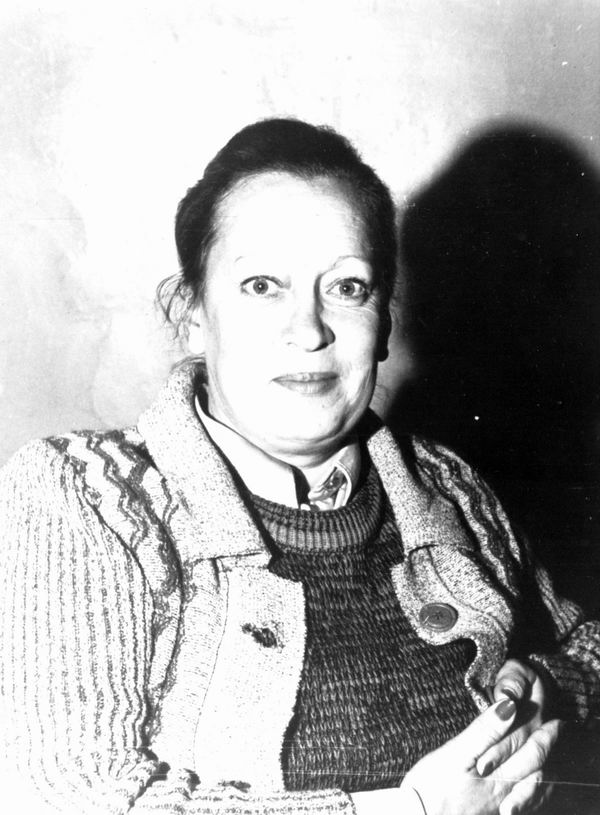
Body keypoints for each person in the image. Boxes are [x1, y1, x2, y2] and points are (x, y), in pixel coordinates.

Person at [0, 118, 598, 815]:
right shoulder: (85, 495)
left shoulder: (448, 483)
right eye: (262, 285)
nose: (309, 330)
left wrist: (547, 685)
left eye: (348, 287)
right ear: (191, 313)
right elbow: (70, 797)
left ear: (384, 322)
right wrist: (409, 809)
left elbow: (587, 648)